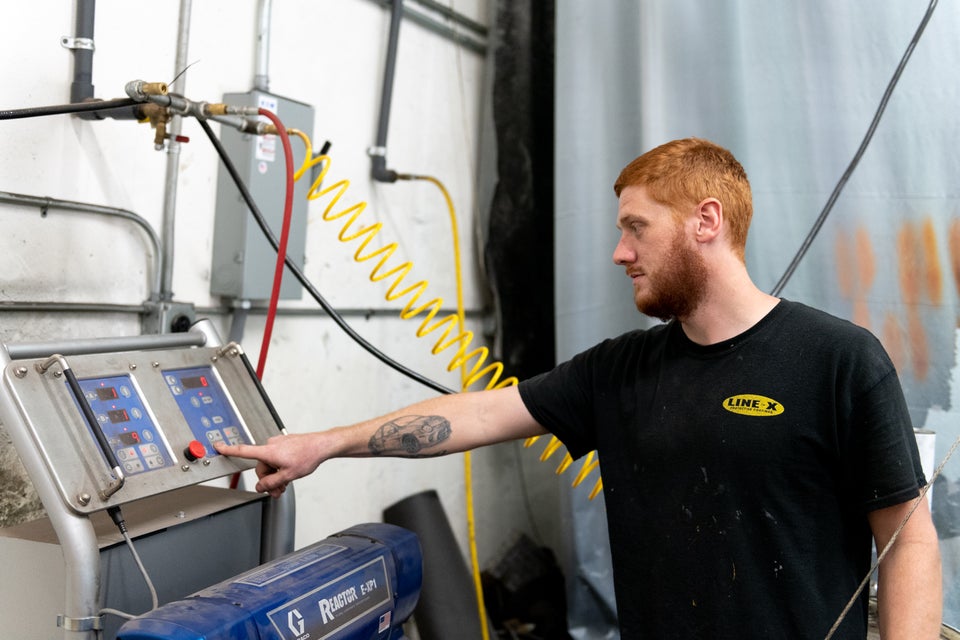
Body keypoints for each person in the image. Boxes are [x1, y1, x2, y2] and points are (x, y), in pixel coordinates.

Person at [215, 138, 942, 639]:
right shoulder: (620, 370)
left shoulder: (838, 361)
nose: (620, 252)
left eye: (637, 227)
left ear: (706, 221)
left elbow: (908, 540)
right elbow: (477, 414)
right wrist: (323, 445)